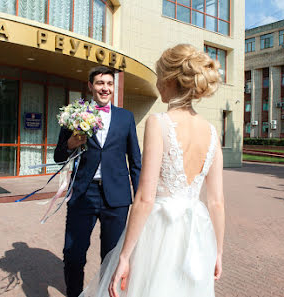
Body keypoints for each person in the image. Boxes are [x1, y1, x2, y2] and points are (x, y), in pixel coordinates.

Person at [80, 44, 225, 297]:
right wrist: (218, 252)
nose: (157, 83)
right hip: (198, 236)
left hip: (159, 232)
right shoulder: (212, 131)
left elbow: (145, 198)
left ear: (169, 80)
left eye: (159, 76)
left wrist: (124, 256)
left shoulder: (159, 122)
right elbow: (216, 202)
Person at [54, 66, 142, 297]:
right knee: (73, 253)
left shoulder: (126, 117)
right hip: (84, 192)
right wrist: (71, 144)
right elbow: (58, 156)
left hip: (117, 197)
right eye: (100, 83)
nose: (105, 88)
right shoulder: (74, 115)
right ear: (91, 86)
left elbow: (135, 161)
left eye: (110, 84)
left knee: (112, 256)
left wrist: (142, 198)